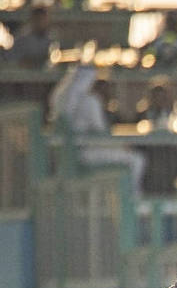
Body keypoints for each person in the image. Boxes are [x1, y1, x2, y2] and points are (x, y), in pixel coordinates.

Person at [51, 64, 146, 196]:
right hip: (87, 154)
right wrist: (121, 145)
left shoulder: (60, 99)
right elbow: (100, 132)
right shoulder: (89, 101)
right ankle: (133, 201)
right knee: (137, 160)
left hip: (70, 156)